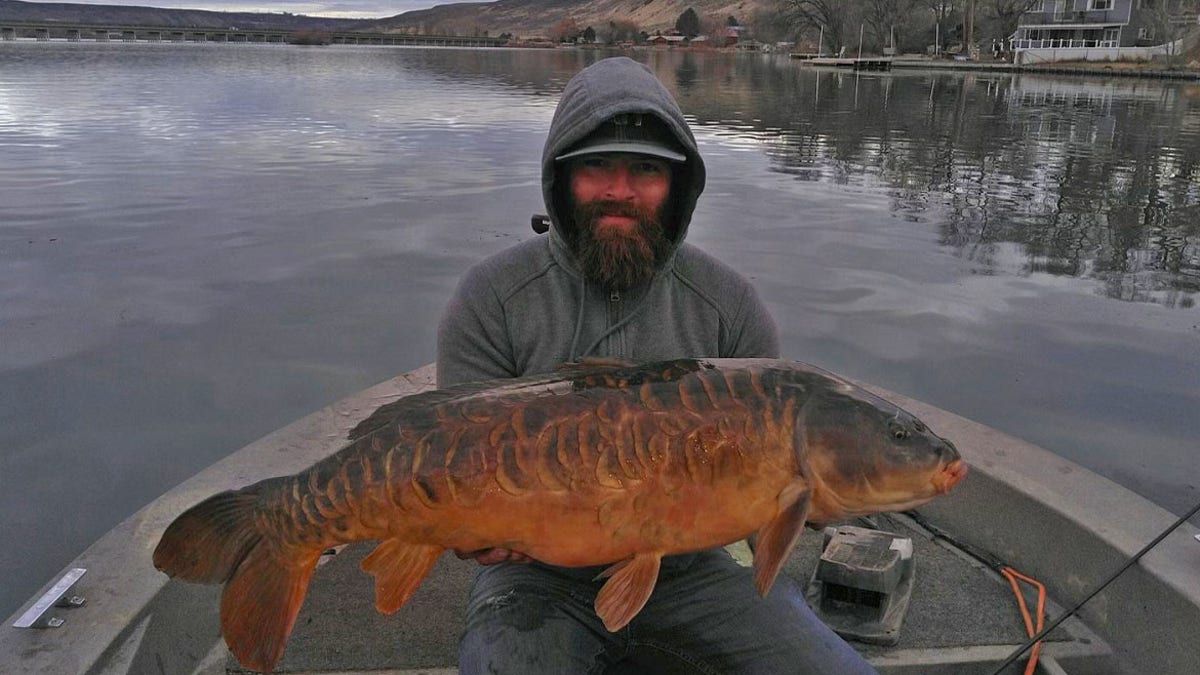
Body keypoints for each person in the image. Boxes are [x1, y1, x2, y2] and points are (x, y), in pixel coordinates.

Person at [436, 57, 876, 675]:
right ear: (560, 179)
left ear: (677, 185)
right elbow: (451, 459)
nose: (620, 190)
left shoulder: (730, 306)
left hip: (697, 565)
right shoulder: (492, 299)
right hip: (536, 573)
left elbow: (780, 501)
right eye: (596, 166)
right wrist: (469, 531)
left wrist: (808, 500)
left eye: (645, 169)